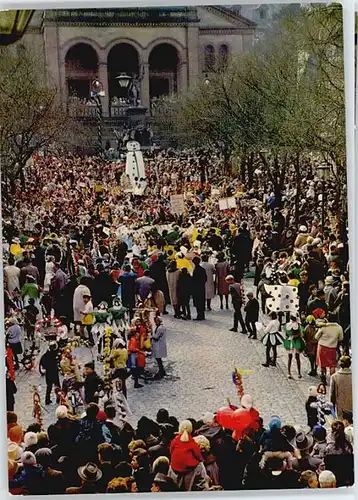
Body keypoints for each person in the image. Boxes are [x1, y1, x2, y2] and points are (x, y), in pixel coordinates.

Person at [314, 308, 343, 384]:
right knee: (332, 365)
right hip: (332, 348)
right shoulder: (339, 328)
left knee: (322, 364)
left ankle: (323, 378)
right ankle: (332, 380)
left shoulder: (324, 327)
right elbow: (341, 338)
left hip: (322, 347)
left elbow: (316, 337)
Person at [191, 256, 207, 321]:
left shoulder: (195, 270)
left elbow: (193, 279)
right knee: (201, 301)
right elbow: (205, 279)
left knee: (197, 302)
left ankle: (199, 315)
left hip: (196, 288)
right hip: (202, 287)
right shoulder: (202, 269)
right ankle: (202, 315)